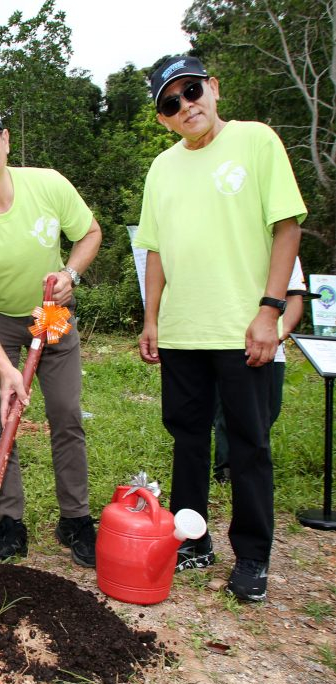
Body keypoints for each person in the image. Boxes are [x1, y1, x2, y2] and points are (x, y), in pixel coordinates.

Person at [135, 55, 304, 602]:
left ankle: (252, 556)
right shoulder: (162, 167)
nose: (185, 106)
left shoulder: (256, 141)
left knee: (249, 444)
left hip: (242, 328)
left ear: (213, 87)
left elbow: (285, 227)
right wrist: (152, 318)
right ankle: (195, 540)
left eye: (190, 91)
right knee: (187, 440)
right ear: (162, 118)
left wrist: (270, 309)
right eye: (170, 103)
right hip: (183, 329)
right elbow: (155, 251)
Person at [0, 95, 102, 567]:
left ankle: (76, 520)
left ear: (5, 141)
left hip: (49, 313)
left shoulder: (47, 185)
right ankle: (9, 522)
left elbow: (90, 232)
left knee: (66, 413)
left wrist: (70, 273)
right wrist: (5, 368)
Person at [213, 258, 305, 483]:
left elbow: (294, 299)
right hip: (230, 342)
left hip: (271, 346)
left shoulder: (288, 255)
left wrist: (278, 334)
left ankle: (253, 462)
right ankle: (226, 467)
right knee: (226, 409)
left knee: (269, 410)